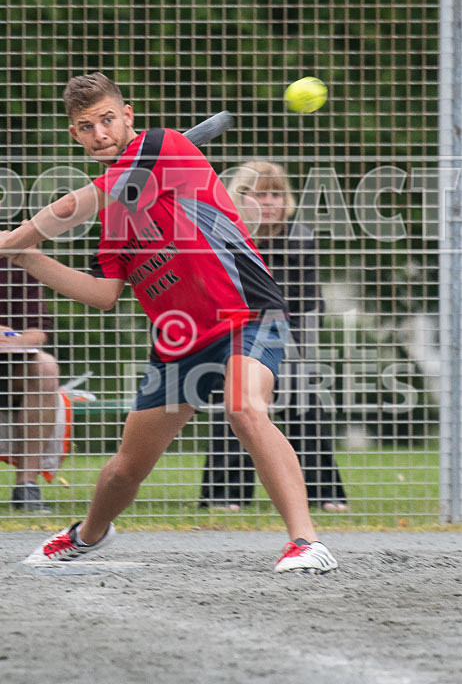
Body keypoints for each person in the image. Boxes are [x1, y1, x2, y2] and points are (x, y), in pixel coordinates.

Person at [0, 72, 338, 573]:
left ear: (128, 116)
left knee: (244, 409)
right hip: (179, 340)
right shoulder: (116, 218)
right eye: (86, 126)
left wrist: (8, 241)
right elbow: (102, 294)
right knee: (126, 469)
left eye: (107, 120)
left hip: (246, 314)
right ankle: (88, 536)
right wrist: (25, 256)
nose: (100, 134)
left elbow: (74, 205)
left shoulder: (165, 146)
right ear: (75, 134)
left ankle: (306, 542)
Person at [200, 160, 347, 512]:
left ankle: (324, 492)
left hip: (286, 345)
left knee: (303, 394)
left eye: (276, 194)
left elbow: (311, 304)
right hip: (235, 340)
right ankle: (224, 496)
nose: (269, 202)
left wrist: (291, 352)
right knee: (236, 397)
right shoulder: (224, 236)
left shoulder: (300, 238)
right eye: (259, 194)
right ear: (240, 198)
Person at [0, 256, 60, 512]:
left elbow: (39, 331)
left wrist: (12, 340)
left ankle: (27, 486)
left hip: (9, 367)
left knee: (46, 367)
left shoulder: (15, 263)